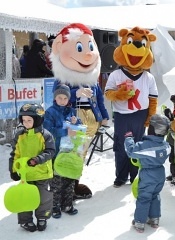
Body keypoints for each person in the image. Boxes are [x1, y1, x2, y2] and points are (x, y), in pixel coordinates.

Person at [50, 23, 109, 196]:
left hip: (90, 120)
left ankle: (74, 183)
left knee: (81, 153)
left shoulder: (92, 79)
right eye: (79, 48)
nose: (88, 53)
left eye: (90, 47)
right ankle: (62, 185)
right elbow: (58, 97)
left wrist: (104, 117)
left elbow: (99, 100)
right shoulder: (63, 79)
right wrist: (77, 92)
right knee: (67, 151)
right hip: (72, 119)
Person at [104, 26, 158, 188]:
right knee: (121, 145)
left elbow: (153, 98)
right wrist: (118, 94)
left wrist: (151, 116)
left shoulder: (148, 77)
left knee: (139, 144)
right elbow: (107, 93)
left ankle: (136, 174)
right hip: (122, 115)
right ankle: (121, 176)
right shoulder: (116, 75)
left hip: (140, 115)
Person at [8, 103, 55, 232]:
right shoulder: (19, 135)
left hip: (41, 173)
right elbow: (15, 153)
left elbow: (50, 151)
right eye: (23, 120)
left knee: (43, 197)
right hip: (25, 174)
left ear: (38, 119)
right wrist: (13, 170)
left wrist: (37, 159)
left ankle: (42, 217)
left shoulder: (46, 135)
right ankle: (25, 221)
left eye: (29, 120)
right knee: (25, 198)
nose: (26, 123)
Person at [124, 114, 171, 233]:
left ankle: (140, 222)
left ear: (152, 129)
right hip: (160, 173)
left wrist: (128, 139)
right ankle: (154, 219)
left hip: (148, 174)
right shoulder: (165, 145)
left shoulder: (145, 146)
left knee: (144, 197)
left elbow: (132, 152)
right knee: (155, 195)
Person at [43, 84, 82, 219]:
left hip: (70, 151)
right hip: (57, 150)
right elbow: (48, 130)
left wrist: (76, 122)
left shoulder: (71, 111)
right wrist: (65, 131)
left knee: (69, 178)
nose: (62, 100)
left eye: (65, 98)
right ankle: (55, 206)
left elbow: (79, 126)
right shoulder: (50, 112)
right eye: (60, 97)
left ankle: (67, 203)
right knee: (57, 180)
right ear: (55, 98)